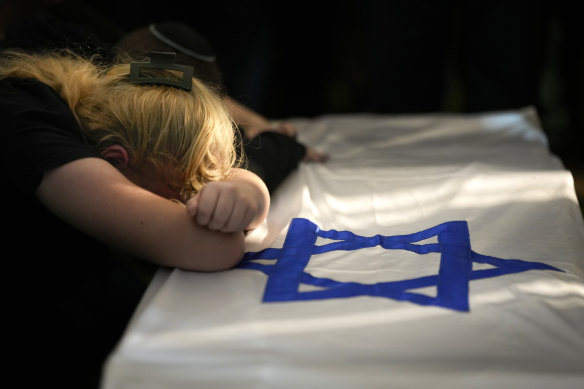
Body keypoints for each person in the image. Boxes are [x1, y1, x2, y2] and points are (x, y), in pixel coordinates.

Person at [0, 47, 270, 387]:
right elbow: (215, 245)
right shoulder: (30, 133)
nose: (190, 203)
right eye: (181, 192)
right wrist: (236, 204)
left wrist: (245, 192)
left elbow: (243, 175)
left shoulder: (95, 106)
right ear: (117, 162)